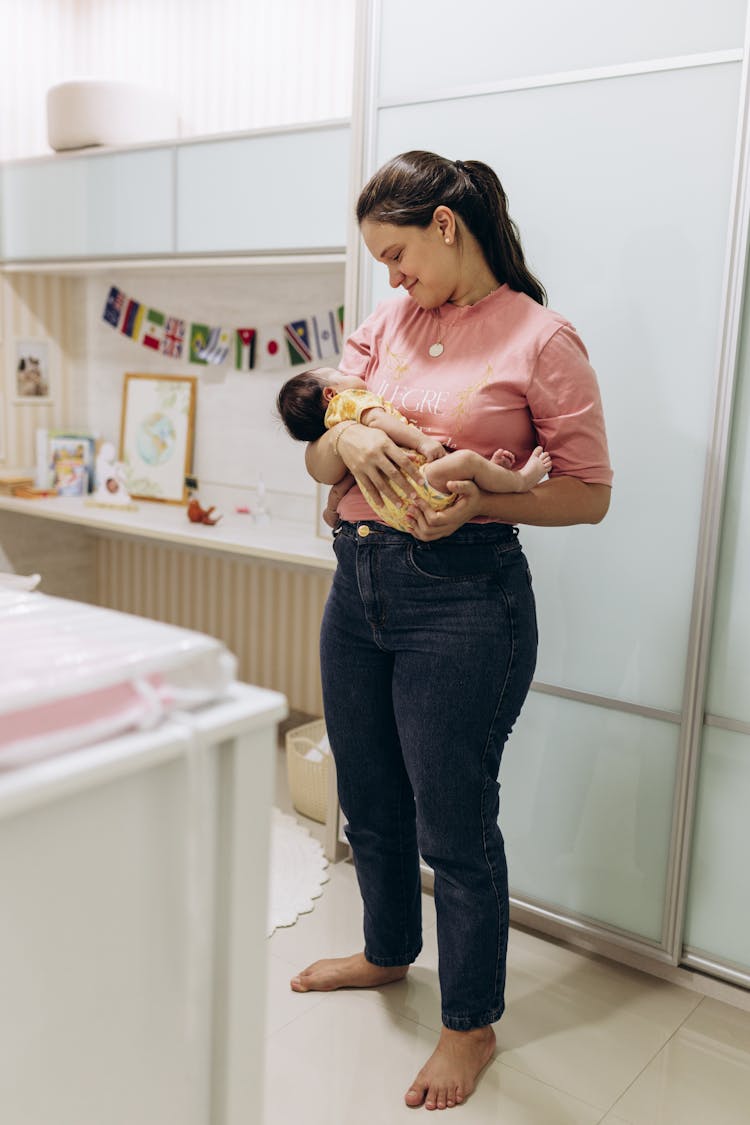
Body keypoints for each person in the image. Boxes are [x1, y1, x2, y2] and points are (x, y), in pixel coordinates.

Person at [290, 150, 612, 1112]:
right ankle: (389, 952)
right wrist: (337, 440)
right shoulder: (386, 322)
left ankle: (471, 1022)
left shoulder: (541, 339)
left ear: (443, 224)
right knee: (370, 796)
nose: (389, 278)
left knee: (454, 824)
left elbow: (589, 495)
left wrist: (480, 498)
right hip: (359, 585)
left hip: (463, 600)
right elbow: (319, 450)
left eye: (396, 254)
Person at [277, 366, 552, 532]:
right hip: (421, 482)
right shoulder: (348, 403)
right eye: (341, 374)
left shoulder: (337, 428)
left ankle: (490, 471)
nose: (350, 374)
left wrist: (331, 511)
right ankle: (520, 479)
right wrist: (422, 441)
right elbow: (376, 418)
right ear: (330, 394)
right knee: (466, 460)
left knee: (464, 468)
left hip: (399, 512)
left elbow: (342, 484)